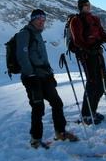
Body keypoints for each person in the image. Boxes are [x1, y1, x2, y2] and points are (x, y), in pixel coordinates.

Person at [16, 9, 78, 148]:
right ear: (32, 19)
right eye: (39, 19)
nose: (41, 22)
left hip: (44, 76)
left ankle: (60, 132)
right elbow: (22, 56)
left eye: (43, 20)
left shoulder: (38, 35)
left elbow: (43, 58)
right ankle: (35, 139)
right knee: (38, 108)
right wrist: (30, 75)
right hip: (32, 78)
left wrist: (50, 74)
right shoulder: (24, 34)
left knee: (57, 103)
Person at [70, 0, 106, 125]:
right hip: (87, 56)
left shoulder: (95, 19)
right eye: (85, 5)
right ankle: (86, 115)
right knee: (92, 83)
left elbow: (102, 35)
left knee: (102, 84)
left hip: (97, 54)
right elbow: (77, 40)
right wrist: (89, 48)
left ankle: (92, 111)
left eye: (89, 4)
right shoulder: (76, 20)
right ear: (80, 7)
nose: (88, 6)